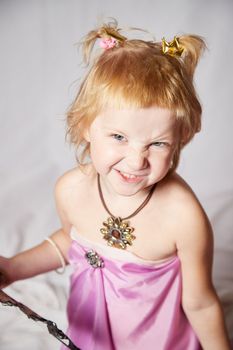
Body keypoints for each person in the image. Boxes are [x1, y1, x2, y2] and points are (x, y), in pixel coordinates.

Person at [0, 19, 231, 350]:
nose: (137, 161)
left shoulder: (183, 216)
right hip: (90, 333)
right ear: (85, 126)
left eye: (158, 144)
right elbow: (71, 241)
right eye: (119, 137)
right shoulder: (71, 190)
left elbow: (201, 303)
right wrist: (13, 268)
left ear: (181, 138)